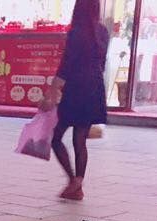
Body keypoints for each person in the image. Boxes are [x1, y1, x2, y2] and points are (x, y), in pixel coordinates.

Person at [40, 0, 110, 201]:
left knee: (56, 137)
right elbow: (102, 62)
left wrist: (51, 93)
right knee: (80, 140)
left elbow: (66, 65)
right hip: (95, 88)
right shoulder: (102, 31)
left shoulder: (76, 32)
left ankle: (73, 181)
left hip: (76, 88)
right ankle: (77, 184)